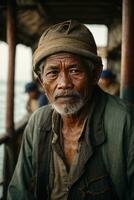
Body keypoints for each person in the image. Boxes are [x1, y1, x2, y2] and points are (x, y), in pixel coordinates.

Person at [7, 20, 134, 200]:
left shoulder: (125, 121)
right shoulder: (38, 122)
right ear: (42, 82)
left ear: (95, 75)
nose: (64, 83)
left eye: (75, 70)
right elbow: (19, 191)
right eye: (52, 72)